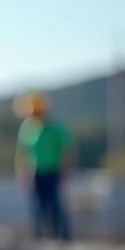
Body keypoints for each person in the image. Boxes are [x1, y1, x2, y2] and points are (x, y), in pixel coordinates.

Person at [15, 93, 73, 241]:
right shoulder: (27, 128)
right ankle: (39, 236)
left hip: (53, 171)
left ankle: (62, 236)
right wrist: (21, 172)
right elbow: (22, 152)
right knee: (37, 205)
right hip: (36, 172)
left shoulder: (56, 129)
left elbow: (66, 152)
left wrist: (65, 172)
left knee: (55, 205)